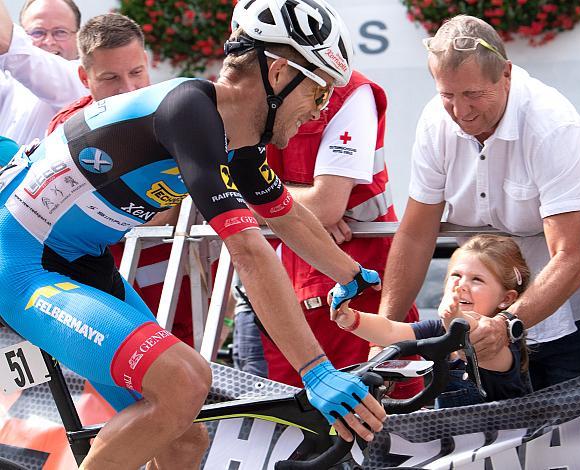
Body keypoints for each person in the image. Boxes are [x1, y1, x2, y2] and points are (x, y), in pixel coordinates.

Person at [0, 1, 386, 468]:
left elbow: (284, 214)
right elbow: (248, 249)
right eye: (319, 94)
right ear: (281, 74)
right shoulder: (189, 111)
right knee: (182, 381)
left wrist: (352, 276)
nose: (318, 111)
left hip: (78, 262)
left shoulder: (233, 136)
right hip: (19, 261)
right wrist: (316, 370)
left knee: (183, 438)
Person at [378, 15, 580, 391]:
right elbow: (416, 234)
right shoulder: (435, 121)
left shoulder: (550, 124)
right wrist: (387, 332)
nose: (461, 112)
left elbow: (570, 259)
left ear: (506, 73)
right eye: (447, 95)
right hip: (485, 322)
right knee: (478, 439)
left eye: (473, 95)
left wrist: (504, 325)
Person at [248, 69, 422, 398]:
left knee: (390, 427)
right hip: (289, 301)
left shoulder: (349, 92)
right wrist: (291, 205)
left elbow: (325, 206)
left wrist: (249, 198)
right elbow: (314, 206)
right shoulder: (247, 94)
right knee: (293, 433)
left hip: (365, 300)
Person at [45, 12, 199, 346]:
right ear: (85, 76)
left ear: (148, 62)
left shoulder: (179, 113)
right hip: (100, 287)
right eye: (111, 77)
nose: (127, 88)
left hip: (176, 282)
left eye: (136, 72)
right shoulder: (69, 128)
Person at [332, 234, 531, 407]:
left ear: (506, 299)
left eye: (477, 280)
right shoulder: (438, 329)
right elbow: (390, 331)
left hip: (499, 445)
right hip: (449, 441)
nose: (461, 285)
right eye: (456, 275)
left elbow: (473, 337)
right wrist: (350, 318)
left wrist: (454, 317)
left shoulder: (500, 342)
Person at [0, 0, 85, 144]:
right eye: (37, 32)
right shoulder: (9, 81)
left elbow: (7, 44)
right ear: (23, 34)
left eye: (60, 32)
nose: (49, 41)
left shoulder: (80, 80)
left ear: (78, 37)